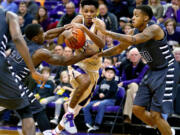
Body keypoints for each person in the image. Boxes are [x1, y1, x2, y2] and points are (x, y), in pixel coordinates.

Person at [93, 5, 178, 135]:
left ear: (146, 18)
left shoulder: (154, 28)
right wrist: (99, 54)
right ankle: (165, 129)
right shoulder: (133, 32)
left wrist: (106, 32)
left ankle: (165, 129)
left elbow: (133, 40)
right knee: (137, 108)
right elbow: (118, 49)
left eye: (136, 15)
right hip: (152, 70)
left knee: (156, 115)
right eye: (132, 15)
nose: (132, 18)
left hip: (167, 70)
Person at [7, 23, 96, 135]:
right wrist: (85, 54)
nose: (44, 35)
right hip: (13, 84)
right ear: (35, 38)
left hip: (5, 79)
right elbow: (64, 61)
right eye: (41, 34)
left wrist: (64, 28)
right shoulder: (39, 52)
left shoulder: (24, 39)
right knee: (39, 110)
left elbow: (48, 34)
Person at [53, 0, 106, 134]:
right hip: (77, 64)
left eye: (92, 11)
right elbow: (64, 35)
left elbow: (101, 44)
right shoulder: (78, 19)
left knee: (78, 106)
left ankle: (55, 131)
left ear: (97, 12)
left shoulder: (100, 24)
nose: (88, 14)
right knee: (82, 85)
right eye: (86, 11)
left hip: (93, 69)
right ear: (81, 10)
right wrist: (69, 34)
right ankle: (67, 116)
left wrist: (85, 30)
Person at [0, 8, 46, 135]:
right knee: (26, 111)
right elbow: (17, 38)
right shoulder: (9, 15)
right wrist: (33, 70)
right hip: (3, 69)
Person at [83, 66, 118, 133]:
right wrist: (98, 94)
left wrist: (103, 96)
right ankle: (89, 123)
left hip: (110, 100)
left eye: (111, 73)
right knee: (86, 105)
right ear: (105, 73)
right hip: (101, 100)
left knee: (101, 104)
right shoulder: (102, 81)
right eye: (108, 72)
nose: (109, 74)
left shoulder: (114, 83)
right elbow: (98, 91)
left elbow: (112, 93)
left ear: (114, 75)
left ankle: (97, 125)